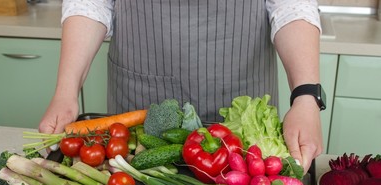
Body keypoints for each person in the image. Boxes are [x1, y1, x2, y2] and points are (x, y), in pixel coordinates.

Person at [39, 0, 323, 173]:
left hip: (240, 92)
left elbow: (291, 5)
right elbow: (90, 3)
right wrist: (66, 91)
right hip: (141, 94)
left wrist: (306, 95)